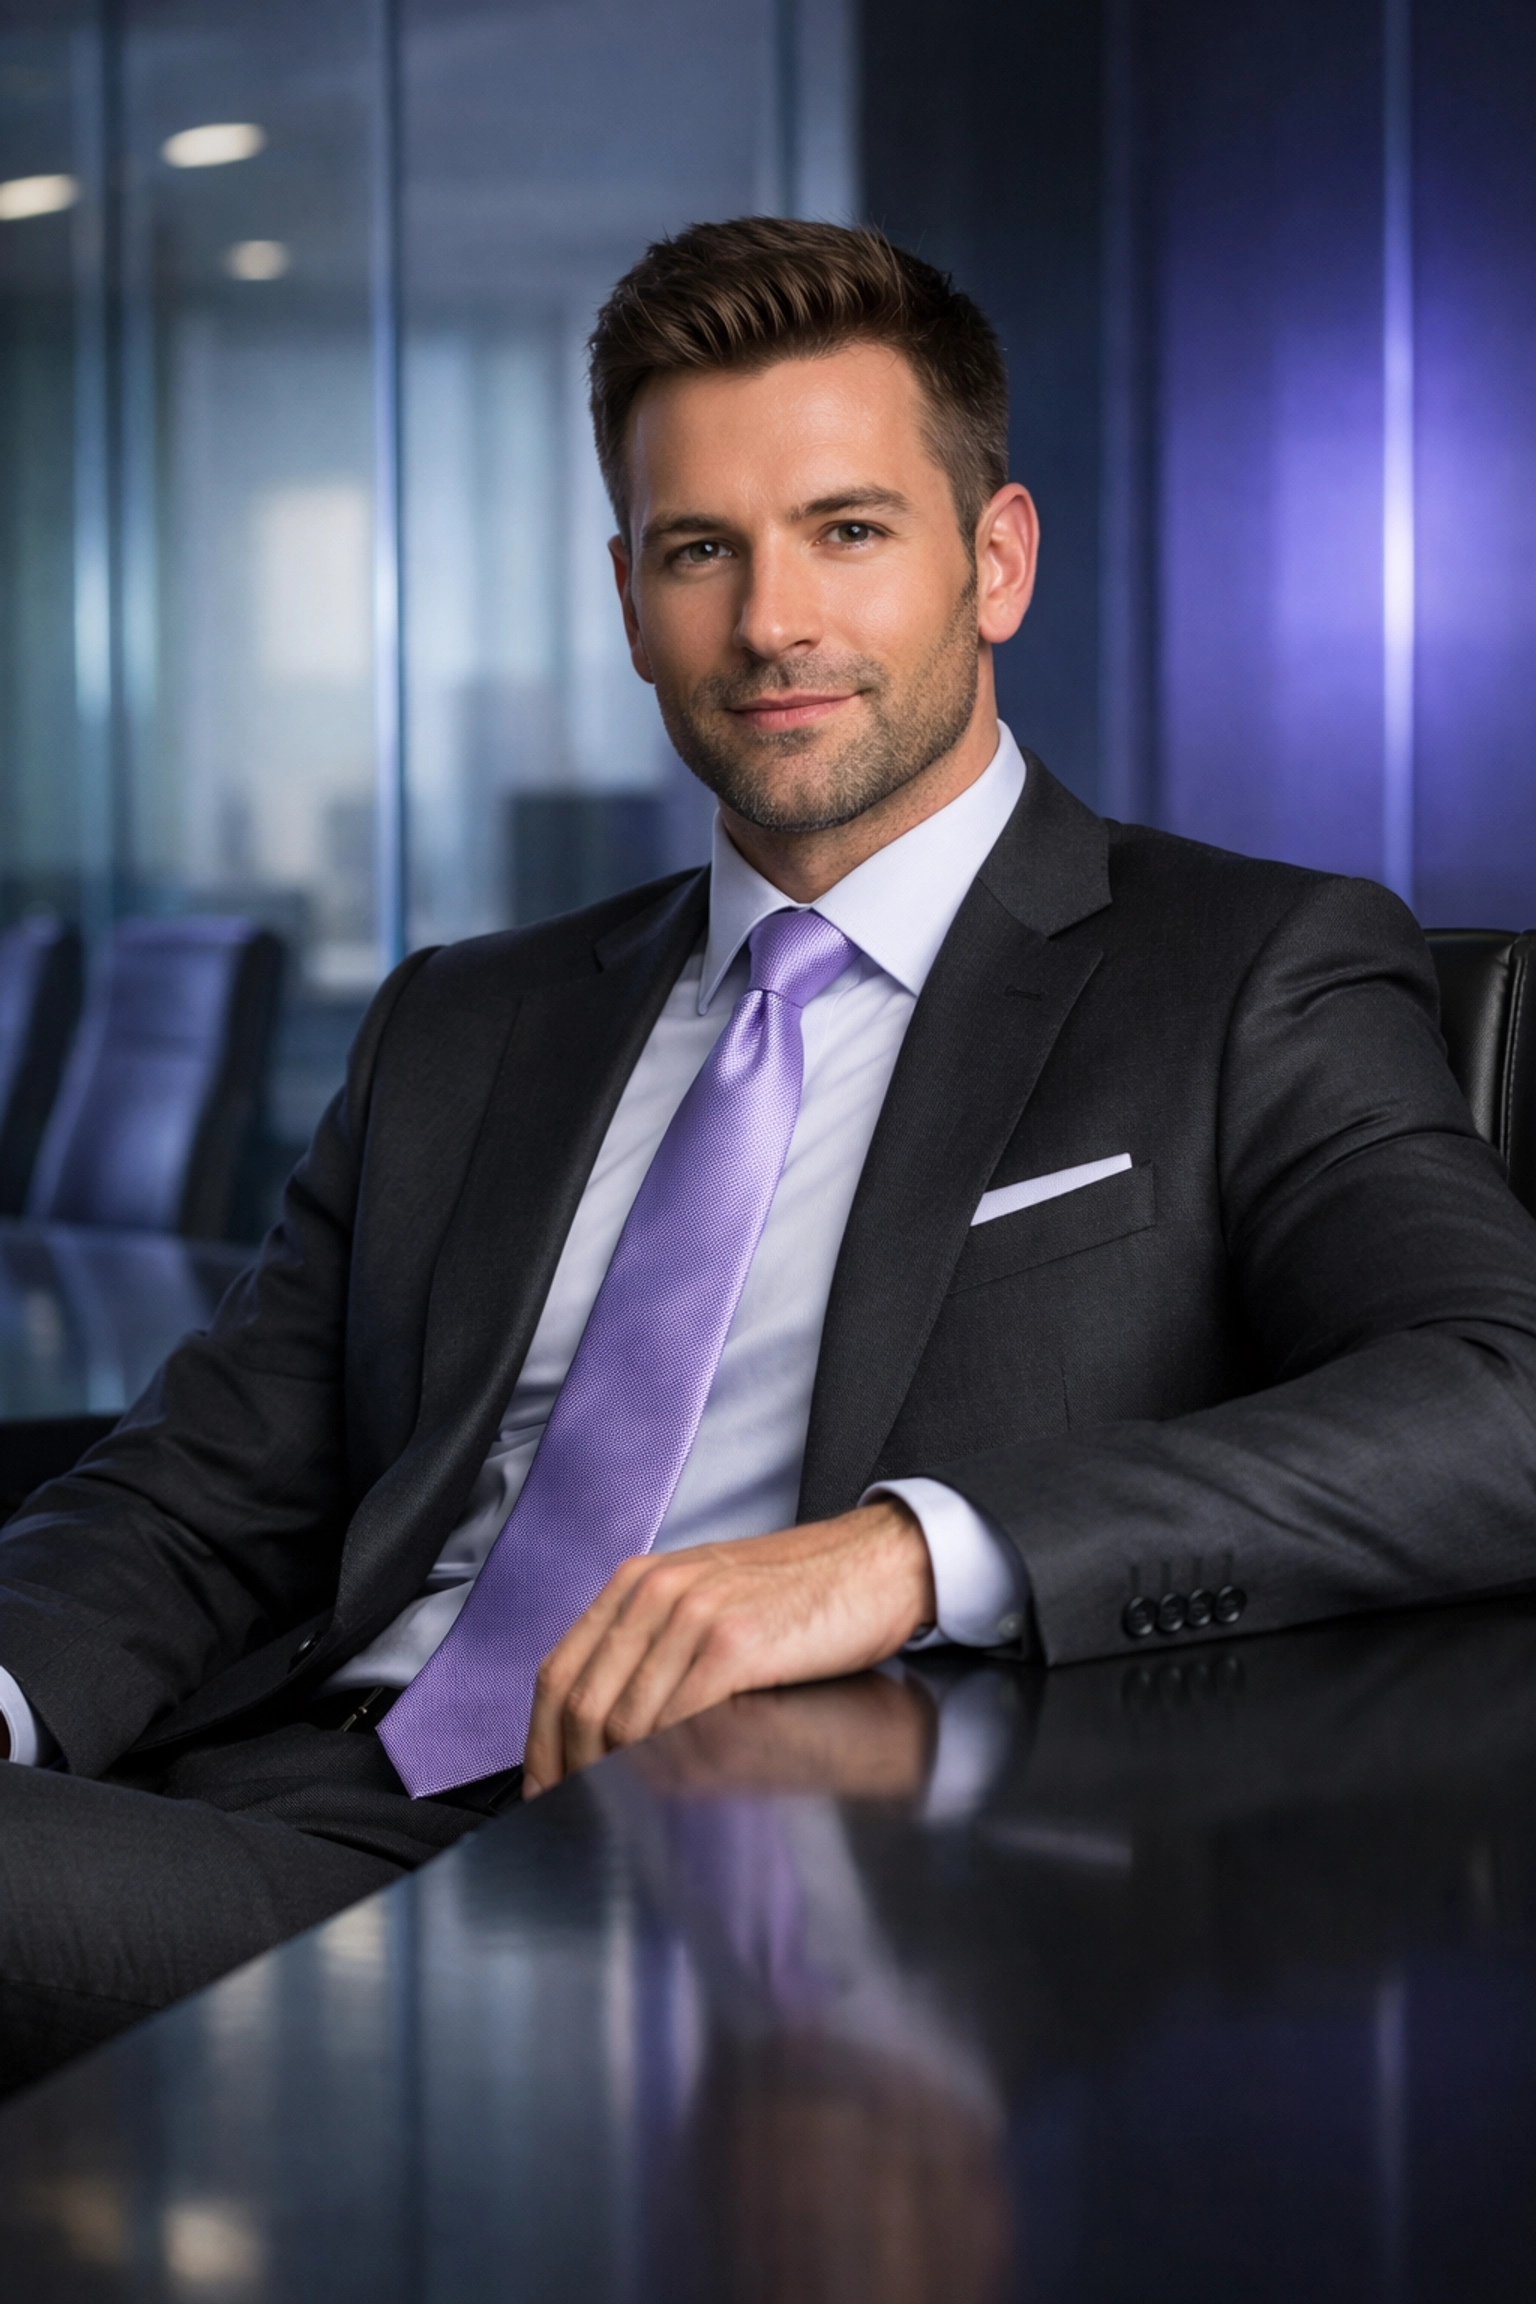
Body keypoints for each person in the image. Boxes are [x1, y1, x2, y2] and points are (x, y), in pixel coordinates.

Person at [2, 217, 1536, 2091]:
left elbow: (1503, 1395)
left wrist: (907, 1554)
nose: (771, 623)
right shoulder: (468, 1022)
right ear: (629, 599)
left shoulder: (1241, 971)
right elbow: (188, 1494)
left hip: (765, 1887)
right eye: (699, 550)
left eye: (849, 530)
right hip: (300, 1815)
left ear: (997, 560)